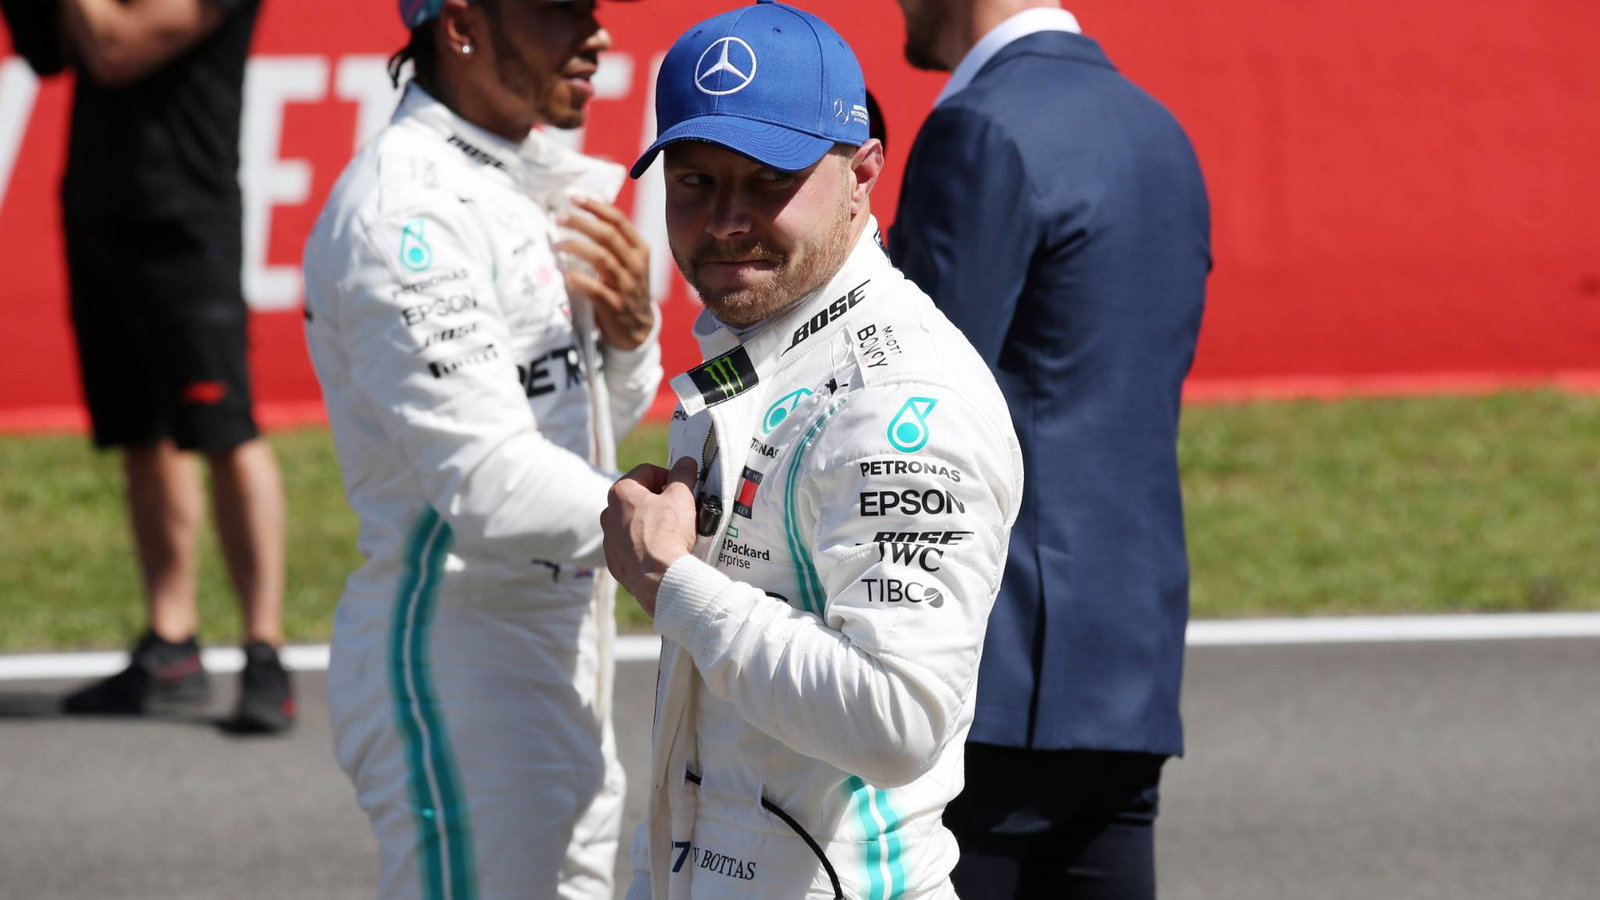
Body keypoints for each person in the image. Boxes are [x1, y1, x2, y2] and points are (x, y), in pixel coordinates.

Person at [601, 3, 1024, 897]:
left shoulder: (899, 397)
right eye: (696, 181)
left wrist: (673, 583)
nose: (727, 220)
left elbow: (897, 721)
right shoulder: (767, 344)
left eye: (769, 180)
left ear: (863, 171)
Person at [301, 0, 659, 895]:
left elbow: (580, 425)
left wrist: (629, 338)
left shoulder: (513, 179)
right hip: (462, 669)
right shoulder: (405, 213)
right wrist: (688, 528)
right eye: (560, 10)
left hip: (557, 653)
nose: (596, 34)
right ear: (460, 26)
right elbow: (491, 484)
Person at [888, 2, 1212, 897]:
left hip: (991, 666)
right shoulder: (1158, 129)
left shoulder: (978, 127)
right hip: (1130, 664)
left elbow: (911, 407)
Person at [42, 0, 295, 733]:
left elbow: (115, 46)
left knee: (225, 431)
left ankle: (265, 649)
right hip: (98, 203)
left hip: (188, 218)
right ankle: (170, 641)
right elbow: (49, 52)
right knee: (139, 433)